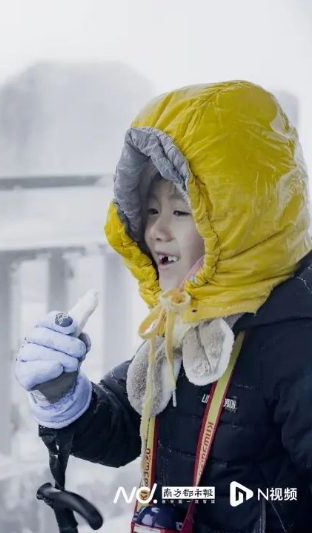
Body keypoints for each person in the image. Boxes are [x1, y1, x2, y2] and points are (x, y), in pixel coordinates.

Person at [15, 81, 312, 532]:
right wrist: (64, 395)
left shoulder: (295, 341)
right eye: (151, 211)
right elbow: (123, 426)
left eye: (181, 211)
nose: (156, 231)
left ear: (242, 220)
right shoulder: (186, 321)